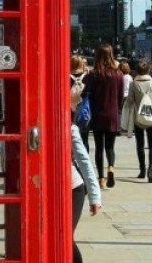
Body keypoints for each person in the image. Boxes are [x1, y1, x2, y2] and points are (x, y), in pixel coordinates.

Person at [70, 58, 102, 263]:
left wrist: (95, 197)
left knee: (66, 237)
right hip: (45, 189)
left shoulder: (69, 129)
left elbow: (84, 162)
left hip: (73, 187)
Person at [83, 43, 124, 189]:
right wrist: (117, 111)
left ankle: (101, 178)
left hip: (98, 113)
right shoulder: (118, 74)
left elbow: (84, 93)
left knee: (99, 147)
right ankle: (111, 167)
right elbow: (120, 97)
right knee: (110, 147)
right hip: (112, 114)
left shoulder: (93, 75)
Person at [126, 61, 152, 182]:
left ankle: (142, 170)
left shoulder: (134, 83)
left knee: (140, 144)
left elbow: (130, 100)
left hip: (138, 117)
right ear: (148, 71)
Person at [71, 55, 91, 151]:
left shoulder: (66, 77)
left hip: (70, 110)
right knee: (84, 138)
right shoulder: (87, 77)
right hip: (84, 110)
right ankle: (85, 156)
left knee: (72, 137)